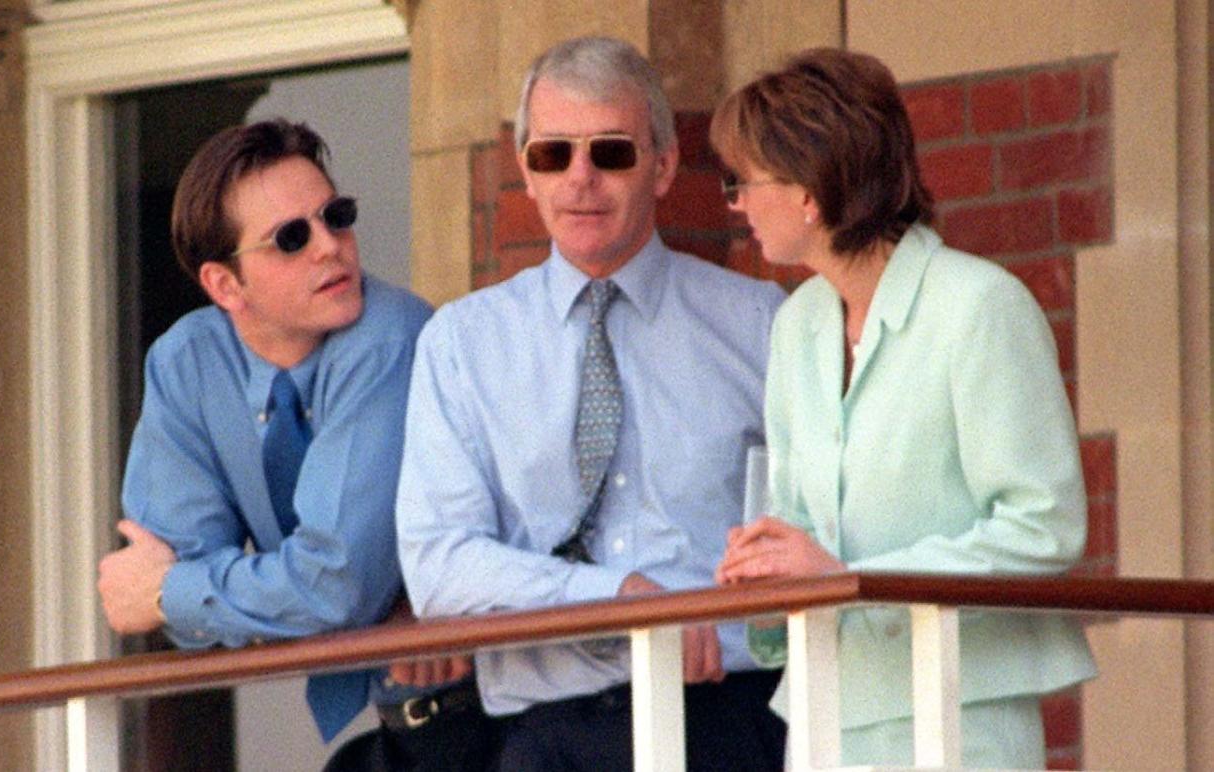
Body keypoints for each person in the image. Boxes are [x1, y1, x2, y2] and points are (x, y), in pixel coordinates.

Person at [395, 36, 788, 772]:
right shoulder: (461, 344)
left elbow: (816, 526)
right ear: (526, 170)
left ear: (664, 165)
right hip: (548, 737)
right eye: (553, 155)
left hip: (730, 722)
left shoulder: (762, 323)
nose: (580, 179)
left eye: (610, 153)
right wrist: (623, 598)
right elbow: (439, 566)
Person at [711, 48, 1098, 768]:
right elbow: (797, 517)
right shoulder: (798, 326)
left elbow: (1044, 526)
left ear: (809, 192)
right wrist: (768, 563)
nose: (733, 203)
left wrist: (850, 578)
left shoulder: (979, 307)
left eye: (743, 181)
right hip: (828, 707)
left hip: (960, 709)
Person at [96, 119, 492, 771]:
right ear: (225, 286)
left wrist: (175, 591)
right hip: (394, 723)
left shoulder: (388, 339)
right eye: (291, 238)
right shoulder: (186, 363)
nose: (329, 247)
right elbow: (189, 617)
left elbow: (331, 584)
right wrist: (190, 595)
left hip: (492, 718)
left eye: (336, 216)